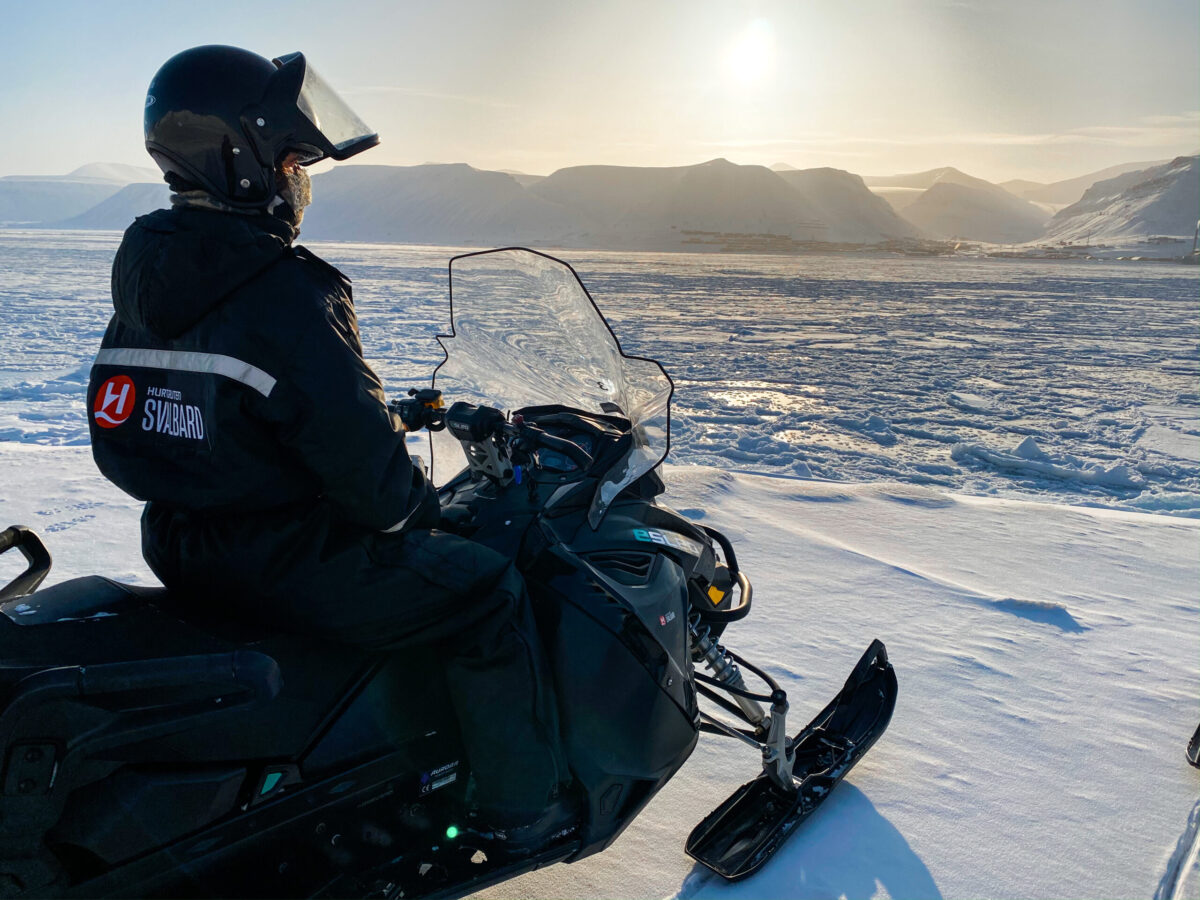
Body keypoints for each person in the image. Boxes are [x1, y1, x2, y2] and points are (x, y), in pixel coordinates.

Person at [86, 45, 572, 847]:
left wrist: (362, 430)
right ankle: (523, 810)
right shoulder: (283, 289)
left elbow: (174, 422)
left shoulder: (150, 278)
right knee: (486, 591)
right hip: (284, 561)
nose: (297, 178)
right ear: (240, 162)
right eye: (288, 157)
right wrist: (426, 508)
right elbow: (380, 496)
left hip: (180, 544)